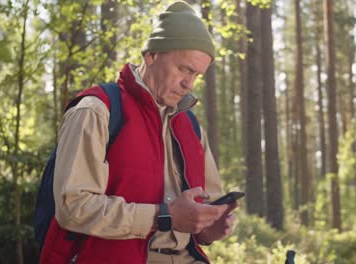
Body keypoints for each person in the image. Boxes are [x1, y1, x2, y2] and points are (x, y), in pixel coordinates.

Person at [39, 1, 238, 263]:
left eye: (197, 75)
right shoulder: (97, 111)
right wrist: (163, 216)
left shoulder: (191, 127)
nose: (189, 83)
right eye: (184, 69)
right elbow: (72, 208)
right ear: (152, 55)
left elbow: (201, 210)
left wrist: (208, 228)